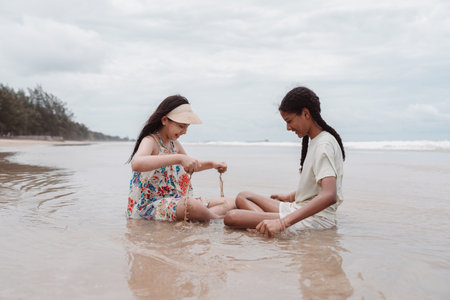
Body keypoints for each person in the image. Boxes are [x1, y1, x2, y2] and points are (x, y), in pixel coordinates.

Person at [224, 86, 345, 237]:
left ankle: (268, 225)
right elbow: (316, 186)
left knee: (232, 217)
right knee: (243, 196)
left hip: (315, 220)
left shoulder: (323, 145)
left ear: (306, 113)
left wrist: (283, 223)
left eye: (289, 121)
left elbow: (329, 195)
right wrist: (289, 197)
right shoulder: (318, 140)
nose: (288, 128)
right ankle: (265, 225)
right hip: (297, 207)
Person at [127, 95, 235, 221]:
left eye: (186, 127)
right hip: (149, 206)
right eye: (181, 126)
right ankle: (217, 218)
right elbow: (137, 163)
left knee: (230, 202)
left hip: (175, 201)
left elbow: (190, 165)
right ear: (164, 120)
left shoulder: (174, 144)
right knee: (191, 205)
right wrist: (178, 158)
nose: (184, 132)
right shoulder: (150, 141)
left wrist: (212, 164)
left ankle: (208, 216)